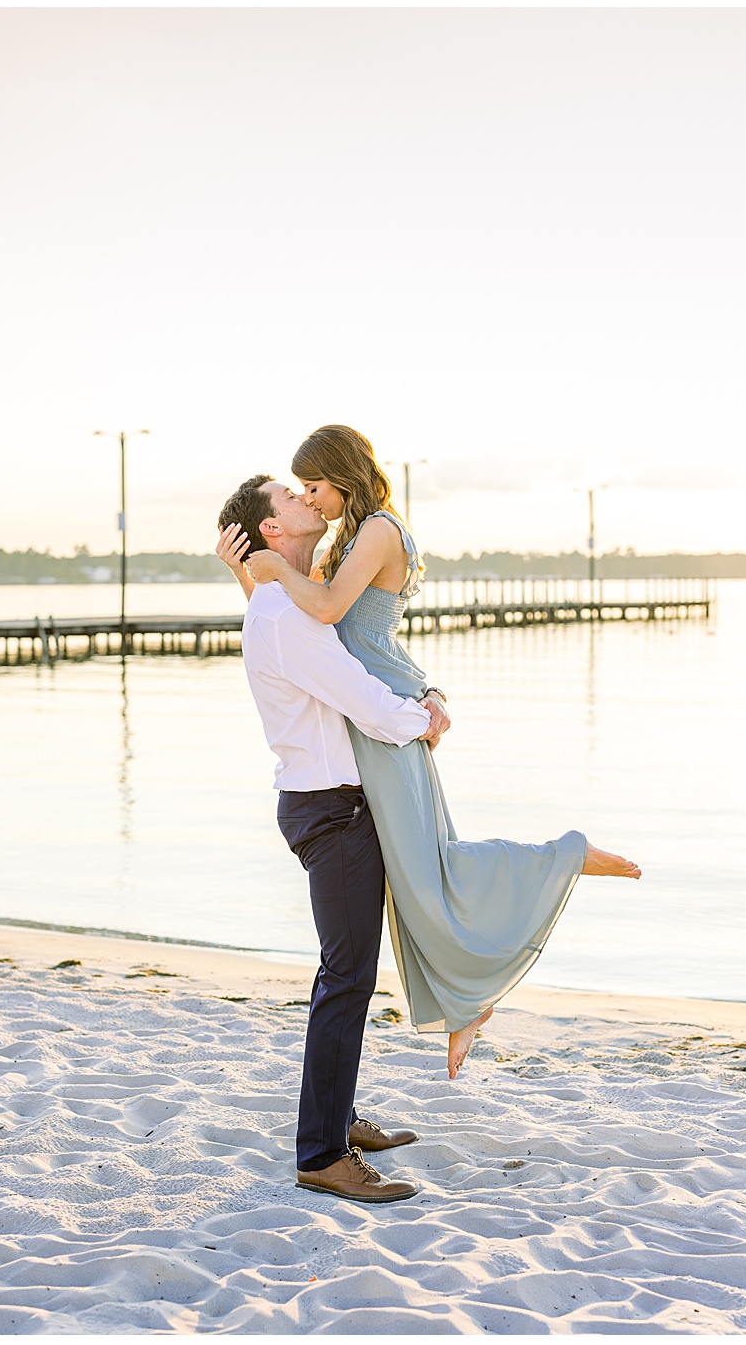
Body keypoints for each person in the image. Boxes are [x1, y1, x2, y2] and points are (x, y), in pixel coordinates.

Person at [217, 426, 640, 1084]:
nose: (311, 499)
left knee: (428, 870)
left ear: (342, 475)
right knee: (419, 881)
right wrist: (250, 573)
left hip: (390, 723)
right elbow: (288, 634)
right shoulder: (345, 544)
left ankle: (561, 859)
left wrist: (421, 703)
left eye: (315, 486)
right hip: (383, 723)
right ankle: (464, 1003)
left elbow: (322, 614)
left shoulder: (376, 530)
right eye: (299, 492)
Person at [216, 474, 448, 1203]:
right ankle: (321, 1152)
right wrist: (427, 718)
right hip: (334, 810)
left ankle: (338, 1119)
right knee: (346, 979)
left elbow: (343, 664)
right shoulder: (285, 614)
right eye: (289, 497)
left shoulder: (284, 603)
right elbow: (363, 700)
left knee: (345, 976)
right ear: (272, 530)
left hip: (329, 804)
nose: (305, 499)